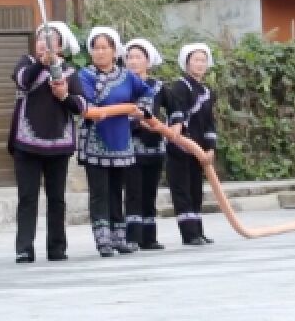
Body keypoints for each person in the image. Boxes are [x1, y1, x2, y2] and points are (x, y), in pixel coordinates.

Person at [8, 21, 85, 264]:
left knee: (57, 198)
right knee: (28, 197)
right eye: (41, 39)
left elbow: (81, 105)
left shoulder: (70, 72)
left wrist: (64, 96)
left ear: (60, 46)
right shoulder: (26, 65)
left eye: (50, 40)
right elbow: (22, 81)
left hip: (58, 144)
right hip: (27, 143)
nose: (44, 43)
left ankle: (57, 247)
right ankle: (24, 248)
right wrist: (42, 64)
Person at [78, 26, 156, 257]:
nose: (100, 52)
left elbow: (146, 93)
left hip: (121, 140)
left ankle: (119, 237)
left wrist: (141, 110)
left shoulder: (126, 76)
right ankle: (103, 240)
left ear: (114, 51)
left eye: (105, 48)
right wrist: (123, 108)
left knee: (115, 191)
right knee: (99, 192)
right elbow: (89, 105)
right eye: (96, 48)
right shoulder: (85, 75)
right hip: (95, 140)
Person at [162, 42, 218, 246]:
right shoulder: (179, 87)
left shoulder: (207, 91)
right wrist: (186, 143)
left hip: (199, 152)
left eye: (203, 60)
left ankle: (198, 231)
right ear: (186, 63)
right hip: (180, 148)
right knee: (182, 191)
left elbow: (209, 122)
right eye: (196, 60)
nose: (200, 64)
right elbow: (176, 117)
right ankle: (189, 234)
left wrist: (210, 148)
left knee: (196, 191)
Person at [122, 38, 166, 250]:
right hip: (130, 147)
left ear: (148, 62)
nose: (133, 61)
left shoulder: (158, 86)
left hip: (155, 146)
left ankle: (149, 237)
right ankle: (132, 237)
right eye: (129, 57)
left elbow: (176, 111)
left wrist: (168, 126)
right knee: (133, 193)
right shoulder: (121, 85)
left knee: (150, 192)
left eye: (138, 57)